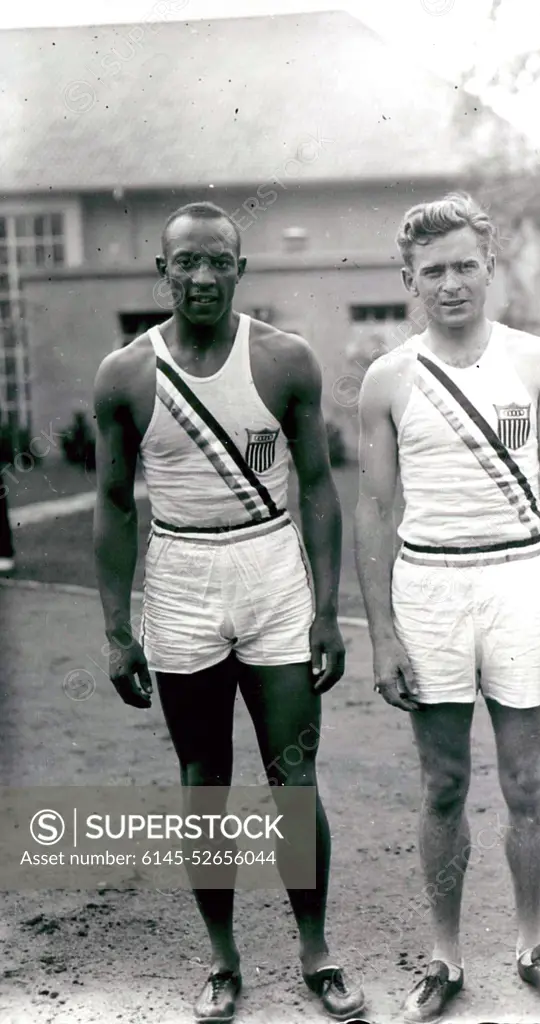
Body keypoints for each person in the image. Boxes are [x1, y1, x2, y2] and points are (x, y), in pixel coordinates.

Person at [92, 201, 365, 1023]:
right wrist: (116, 629)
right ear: (162, 271)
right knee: (203, 783)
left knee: (292, 778)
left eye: (218, 261)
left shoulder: (284, 360)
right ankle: (222, 961)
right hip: (179, 576)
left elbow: (317, 488)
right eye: (186, 263)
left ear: (240, 270)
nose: (202, 276)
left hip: (270, 566)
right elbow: (111, 503)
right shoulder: (126, 374)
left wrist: (326, 611)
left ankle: (316, 952)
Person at [354, 192, 540, 1020]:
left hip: (521, 583)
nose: (449, 284)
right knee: (442, 783)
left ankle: (531, 945)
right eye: (432, 272)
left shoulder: (535, 362)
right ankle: (444, 957)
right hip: (430, 590)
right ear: (408, 279)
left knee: (526, 778)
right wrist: (381, 634)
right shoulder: (388, 377)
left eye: (463, 266)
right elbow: (374, 511)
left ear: (488, 267)